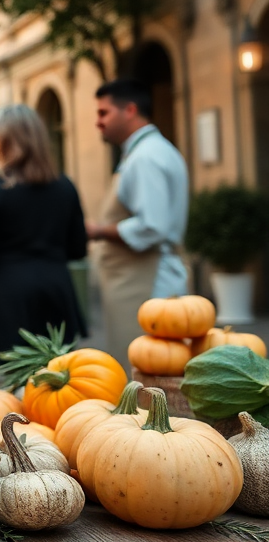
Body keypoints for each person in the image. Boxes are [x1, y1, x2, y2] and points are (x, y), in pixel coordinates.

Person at [0, 105, 88, 369]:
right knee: (60, 377)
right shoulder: (65, 186)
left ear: (6, 142)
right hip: (55, 287)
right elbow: (79, 248)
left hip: (9, 293)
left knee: (14, 382)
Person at [86, 80, 189, 353]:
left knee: (144, 373)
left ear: (130, 110)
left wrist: (97, 231)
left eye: (103, 113)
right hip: (139, 281)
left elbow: (151, 226)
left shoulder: (145, 157)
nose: (98, 122)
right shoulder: (149, 151)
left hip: (147, 283)